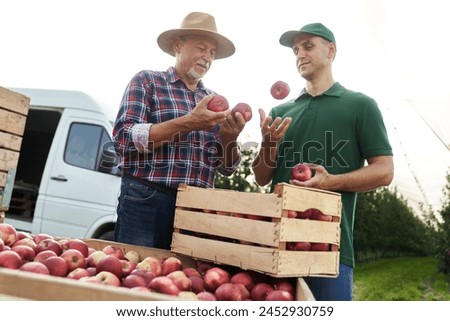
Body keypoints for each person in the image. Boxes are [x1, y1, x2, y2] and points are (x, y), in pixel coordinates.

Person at [252, 22, 394, 300]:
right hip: (276, 243)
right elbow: (261, 177)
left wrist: (330, 182)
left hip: (329, 246)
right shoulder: (281, 111)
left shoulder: (359, 105)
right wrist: (269, 143)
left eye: (308, 46)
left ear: (331, 50)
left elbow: (384, 171)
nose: (299, 55)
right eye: (295, 50)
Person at [112, 12, 245, 250]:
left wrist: (229, 138)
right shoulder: (147, 82)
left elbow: (226, 167)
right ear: (177, 46)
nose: (207, 57)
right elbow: (124, 139)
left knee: (187, 283)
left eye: (212, 53)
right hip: (147, 200)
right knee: (136, 277)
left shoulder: (212, 101)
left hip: (195, 209)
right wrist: (189, 122)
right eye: (201, 48)